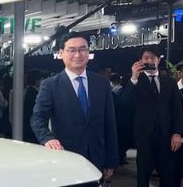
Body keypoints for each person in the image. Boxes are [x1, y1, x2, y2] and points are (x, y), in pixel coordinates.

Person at [30, 32, 118, 179]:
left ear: (88, 52)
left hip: (96, 157)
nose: (78, 55)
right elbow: (37, 117)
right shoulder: (50, 85)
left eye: (82, 49)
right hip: (65, 156)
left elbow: (110, 123)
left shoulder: (101, 83)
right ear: (61, 53)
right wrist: (47, 139)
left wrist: (111, 160)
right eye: (71, 50)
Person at [124, 47, 182, 187]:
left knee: (167, 174)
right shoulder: (136, 81)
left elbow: (177, 110)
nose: (149, 60)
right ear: (140, 61)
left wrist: (177, 133)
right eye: (145, 57)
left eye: (153, 57)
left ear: (158, 60)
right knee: (143, 174)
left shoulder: (169, 82)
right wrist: (133, 77)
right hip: (144, 136)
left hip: (166, 136)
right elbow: (125, 102)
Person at [22, 68, 43, 143]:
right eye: (41, 79)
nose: (42, 82)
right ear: (36, 80)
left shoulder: (30, 91)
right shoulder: (34, 93)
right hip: (31, 129)